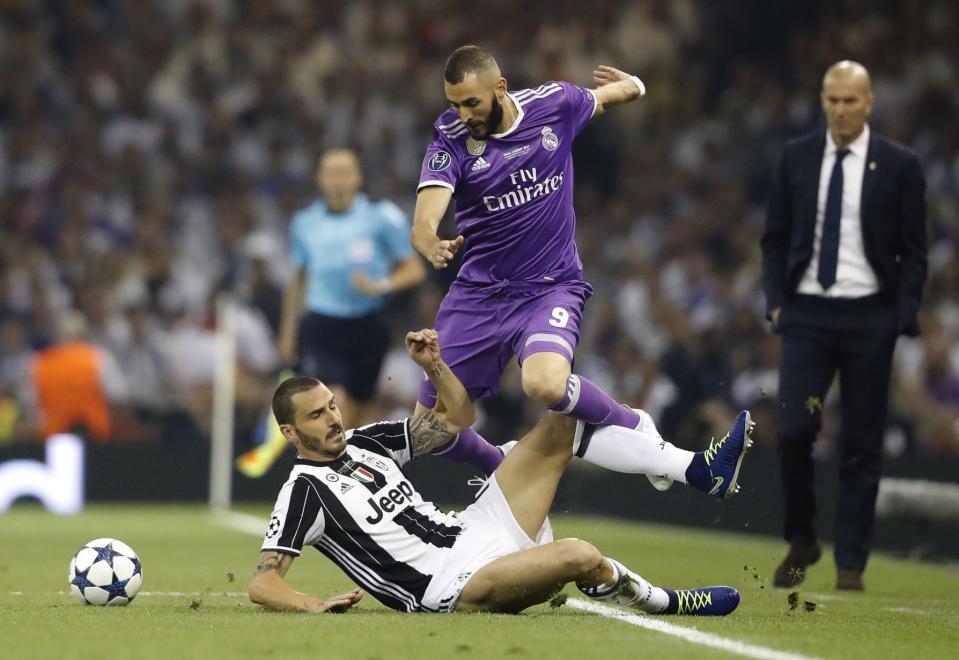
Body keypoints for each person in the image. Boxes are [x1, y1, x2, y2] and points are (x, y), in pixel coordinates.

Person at [248, 328, 754, 615]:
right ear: (291, 434)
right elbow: (264, 583)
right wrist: (312, 605)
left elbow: (457, 420)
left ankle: (690, 467)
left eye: (332, 406)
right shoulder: (303, 491)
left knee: (561, 421)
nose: (334, 418)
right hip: (452, 583)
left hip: (476, 527)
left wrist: (435, 368)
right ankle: (663, 601)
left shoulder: (368, 440)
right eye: (317, 415)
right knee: (580, 553)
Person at [410, 45, 679, 481]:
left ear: (500, 88)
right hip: (479, 295)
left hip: (549, 287)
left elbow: (613, 96)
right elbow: (425, 219)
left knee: (545, 384)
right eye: (454, 104)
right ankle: (504, 472)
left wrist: (636, 84)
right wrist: (429, 243)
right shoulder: (450, 139)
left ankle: (633, 425)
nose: (463, 114)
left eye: (471, 103)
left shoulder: (554, 105)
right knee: (430, 432)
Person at [761, 61, 927, 591]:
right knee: (793, 431)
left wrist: (901, 312)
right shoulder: (797, 156)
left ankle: (851, 562)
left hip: (867, 318)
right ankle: (803, 537)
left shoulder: (900, 165)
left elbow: (914, 250)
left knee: (860, 441)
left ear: (869, 103)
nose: (839, 110)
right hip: (807, 314)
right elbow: (775, 237)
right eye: (831, 99)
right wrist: (776, 302)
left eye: (850, 101)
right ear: (822, 99)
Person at [278, 148, 426, 430]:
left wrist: (381, 285)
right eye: (332, 174)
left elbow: (414, 270)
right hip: (322, 325)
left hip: (368, 325)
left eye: (345, 173)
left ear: (358, 177)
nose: (338, 181)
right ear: (319, 179)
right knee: (335, 401)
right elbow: (298, 278)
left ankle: (347, 462)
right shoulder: (305, 223)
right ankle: (330, 466)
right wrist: (287, 332)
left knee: (358, 410)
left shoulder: (380, 217)